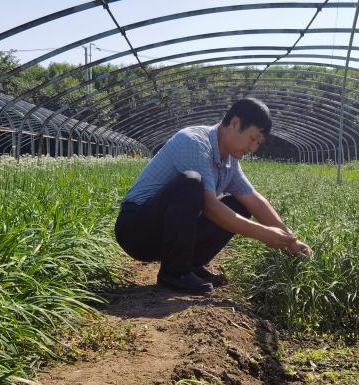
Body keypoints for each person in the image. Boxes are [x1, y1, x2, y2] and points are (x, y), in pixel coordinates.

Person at [114, 98, 312, 294]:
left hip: (164, 232)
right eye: (253, 138)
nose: (253, 148)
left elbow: (254, 200)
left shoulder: (230, 162)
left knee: (240, 205)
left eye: (258, 143)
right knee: (191, 183)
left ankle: (190, 265)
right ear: (235, 123)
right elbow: (210, 207)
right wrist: (263, 234)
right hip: (136, 230)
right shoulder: (193, 142)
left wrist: (292, 241)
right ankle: (175, 272)